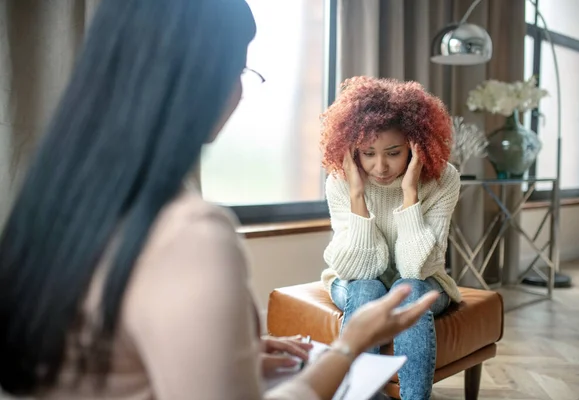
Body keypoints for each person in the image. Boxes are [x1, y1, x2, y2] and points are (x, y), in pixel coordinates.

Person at [0, 1, 439, 399]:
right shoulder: (189, 234)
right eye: (239, 70)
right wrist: (348, 345)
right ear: (202, 80)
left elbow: (113, 354)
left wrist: (233, 352)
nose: (240, 92)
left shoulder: (50, 200)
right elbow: (360, 266)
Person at [319, 76, 462, 400]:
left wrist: (409, 191)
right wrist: (357, 194)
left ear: (416, 145)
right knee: (367, 287)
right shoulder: (342, 181)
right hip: (354, 279)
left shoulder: (443, 180)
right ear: (352, 148)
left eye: (393, 153)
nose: (379, 166)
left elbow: (415, 268)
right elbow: (360, 270)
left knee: (407, 290)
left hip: (423, 281)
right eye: (367, 153)